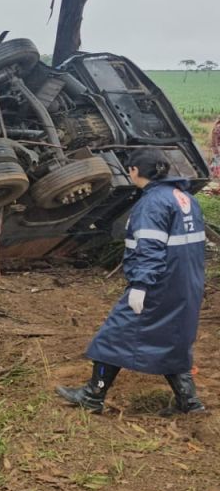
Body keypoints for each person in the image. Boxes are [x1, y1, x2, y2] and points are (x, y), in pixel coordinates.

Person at [57, 148, 207, 415]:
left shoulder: (152, 204)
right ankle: (189, 401)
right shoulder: (184, 198)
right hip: (186, 285)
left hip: (157, 286)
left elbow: (149, 249)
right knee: (173, 339)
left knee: (112, 337)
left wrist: (140, 285)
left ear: (135, 172)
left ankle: (93, 395)